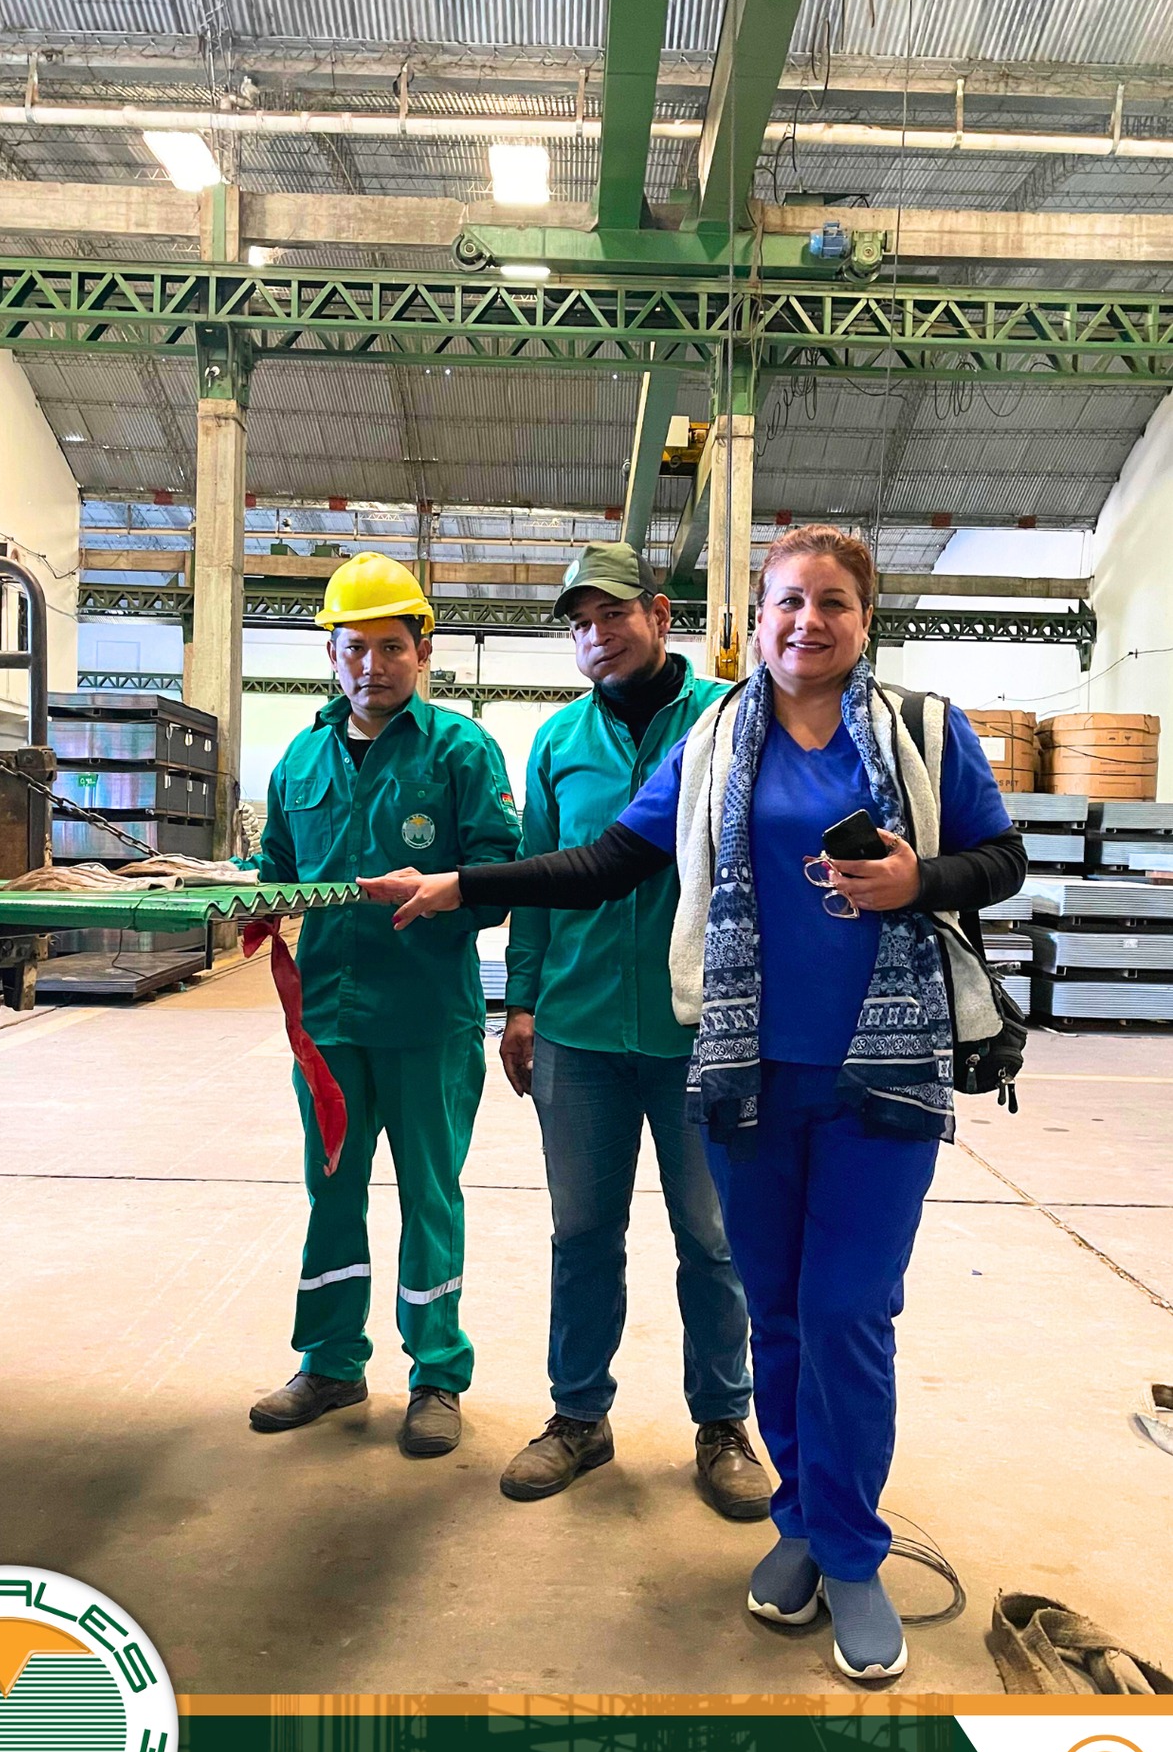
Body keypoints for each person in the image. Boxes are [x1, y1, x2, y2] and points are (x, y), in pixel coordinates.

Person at [360, 525, 1026, 1680]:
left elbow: (1001, 857)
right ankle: (802, 1523)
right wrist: (462, 883)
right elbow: (609, 861)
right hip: (746, 1076)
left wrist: (921, 877)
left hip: (880, 1078)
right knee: (779, 1313)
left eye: (832, 601)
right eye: (786, 601)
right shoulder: (716, 742)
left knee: (847, 1314)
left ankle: (852, 1553)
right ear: (755, 619)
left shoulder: (921, 728)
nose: (807, 621)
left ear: (864, 619)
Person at [494, 540, 768, 1517]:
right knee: (581, 1232)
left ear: (659, 614)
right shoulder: (558, 741)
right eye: (579, 623)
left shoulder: (731, 718)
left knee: (714, 1237)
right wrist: (520, 1001)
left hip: (701, 1032)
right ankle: (578, 1416)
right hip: (577, 1028)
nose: (596, 635)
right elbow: (536, 878)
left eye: (612, 613)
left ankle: (724, 1422)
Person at [246, 552, 520, 1458]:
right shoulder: (300, 758)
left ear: (422, 651)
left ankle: (436, 1374)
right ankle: (330, 1363)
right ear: (331, 653)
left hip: (426, 1018)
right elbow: (276, 870)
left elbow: (499, 875)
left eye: (391, 647)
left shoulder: (460, 751)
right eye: (355, 648)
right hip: (326, 1019)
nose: (372, 665)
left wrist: (446, 893)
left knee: (429, 1196)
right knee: (331, 1193)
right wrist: (240, 896)